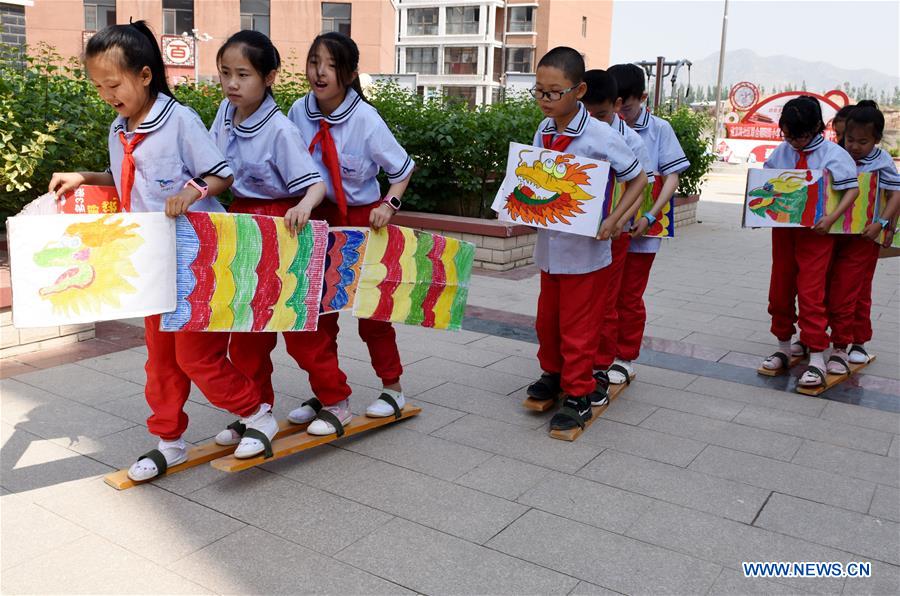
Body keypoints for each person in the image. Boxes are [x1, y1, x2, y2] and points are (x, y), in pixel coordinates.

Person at [48, 22, 276, 480]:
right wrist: (85, 178)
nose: (106, 94)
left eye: (113, 84)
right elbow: (131, 180)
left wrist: (191, 191)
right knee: (161, 359)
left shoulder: (179, 121)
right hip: (151, 260)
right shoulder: (119, 129)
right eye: (98, 86)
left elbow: (221, 174)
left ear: (145, 75)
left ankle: (258, 415)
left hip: (195, 257)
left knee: (196, 356)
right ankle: (169, 440)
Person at [207, 30, 354, 446]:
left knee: (299, 328)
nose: (232, 84)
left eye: (243, 75)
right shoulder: (225, 111)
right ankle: (256, 410)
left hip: (284, 226)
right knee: (247, 329)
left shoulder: (280, 129)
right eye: (225, 74)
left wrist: (304, 208)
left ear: (269, 77)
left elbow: (315, 185)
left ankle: (336, 399)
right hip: (241, 224)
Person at [287, 32, 414, 436]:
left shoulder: (365, 118)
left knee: (371, 311)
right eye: (313, 62)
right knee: (315, 314)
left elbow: (401, 170)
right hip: (312, 219)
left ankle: (392, 388)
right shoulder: (298, 111)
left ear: (351, 72)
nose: (319, 72)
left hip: (362, 220)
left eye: (330, 64)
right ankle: (327, 393)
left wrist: (387, 206)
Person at [524, 47, 647, 432]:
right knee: (548, 321)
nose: (544, 100)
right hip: (550, 245)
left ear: (578, 90)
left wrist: (614, 220)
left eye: (553, 92)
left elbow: (639, 180)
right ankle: (554, 373)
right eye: (539, 91)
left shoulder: (600, 136)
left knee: (578, 327)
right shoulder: (543, 131)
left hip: (587, 250)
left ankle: (579, 392)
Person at [758, 96, 858, 388]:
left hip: (817, 234)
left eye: (798, 136)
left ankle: (816, 356)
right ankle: (783, 346)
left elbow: (851, 191)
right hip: (785, 233)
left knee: (811, 291)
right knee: (780, 287)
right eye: (787, 135)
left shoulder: (833, 155)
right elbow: (766, 182)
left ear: (817, 127)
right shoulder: (782, 151)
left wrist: (830, 218)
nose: (793, 142)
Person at [605, 63, 690, 385]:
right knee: (605, 294)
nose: (620, 111)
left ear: (641, 97)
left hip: (643, 228)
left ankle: (624, 357)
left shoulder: (659, 130)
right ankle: (602, 353)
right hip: (610, 228)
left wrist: (651, 214)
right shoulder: (604, 125)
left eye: (626, 104)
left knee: (629, 295)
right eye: (616, 103)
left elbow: (671, 177)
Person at [582, 69, 653, 385]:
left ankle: (601, 364)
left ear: (616, 105)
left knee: (608, 302)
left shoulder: (631, 140)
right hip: (576, 231)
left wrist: (618, 222)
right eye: (588, 113)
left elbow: (639, 188)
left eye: (601, 114)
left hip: (613, 234)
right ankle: (571, 363)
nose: (594, 121)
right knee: (577, 301)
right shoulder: (568, 130)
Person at [827, 100, 899, 370]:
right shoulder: (837, 154)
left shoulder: (881, 161)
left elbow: (896, 195)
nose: (855, 147)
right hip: (834, 235)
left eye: (863, 141)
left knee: (852, 290)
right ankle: (834, 339)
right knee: (831, 287)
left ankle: (848, 344)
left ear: (877, 140)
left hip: (864, 238)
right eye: (850, 140)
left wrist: (883, 224)